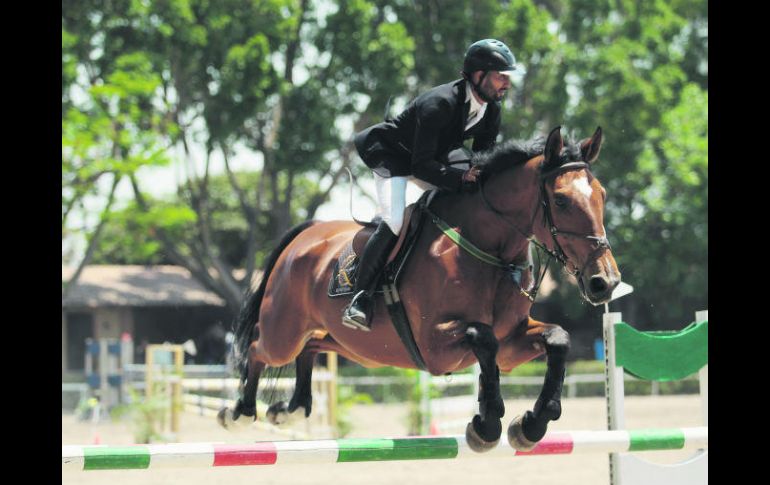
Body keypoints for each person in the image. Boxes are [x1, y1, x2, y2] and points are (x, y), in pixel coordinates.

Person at [342, 38, 519, 331]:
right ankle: (360, 298)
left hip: (436, 157)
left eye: (507, 77)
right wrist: (461, 178)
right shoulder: (439, 103)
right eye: (500, 76)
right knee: (395, 219)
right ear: (478, 75)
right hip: (396, 157)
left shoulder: (492, 109)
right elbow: (419, 167)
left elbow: (482, 157)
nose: (506, 84)